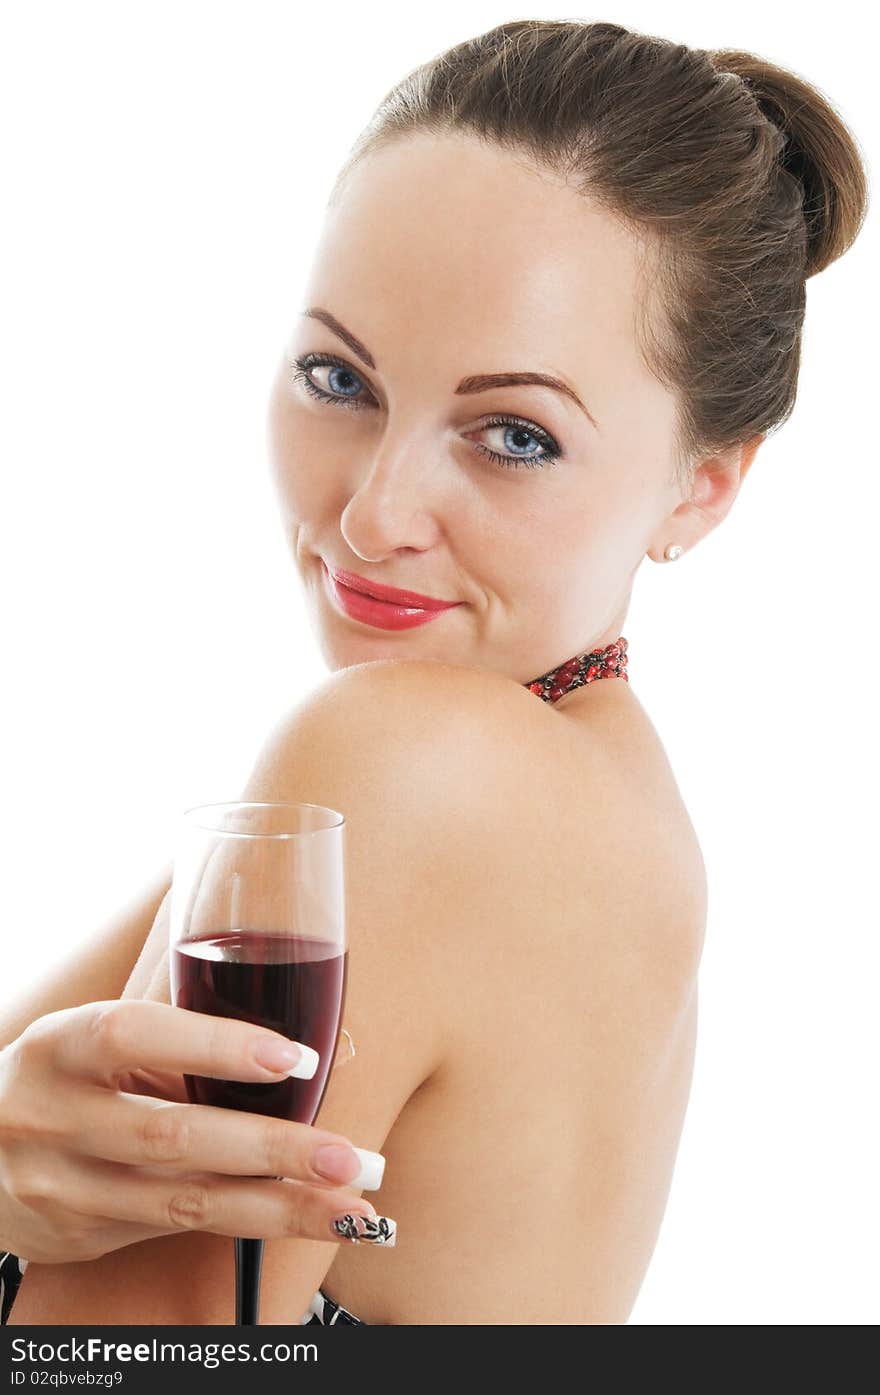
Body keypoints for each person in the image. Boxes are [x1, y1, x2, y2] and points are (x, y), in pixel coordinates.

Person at [0, 18, 868, 1325]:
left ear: (703, 488)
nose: (374, 515)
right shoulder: (584, 785)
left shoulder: (411, 765)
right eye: (335, 376)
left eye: (513, 434)